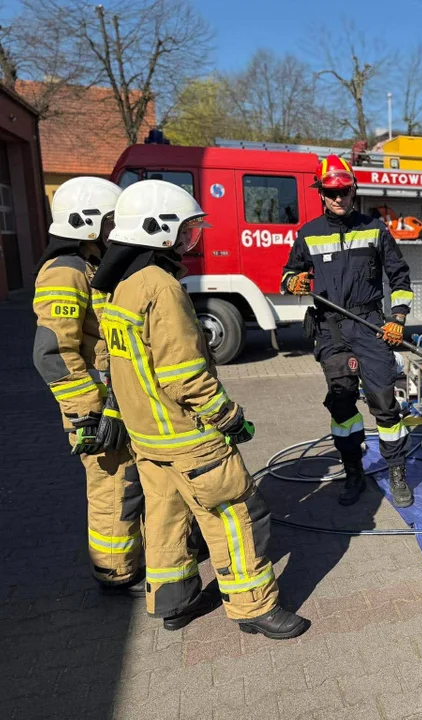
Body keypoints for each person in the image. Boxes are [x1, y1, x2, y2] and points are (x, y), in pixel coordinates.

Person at [91, 179, 308, 639]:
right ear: (157, 232)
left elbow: (111, 363)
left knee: (166, 518)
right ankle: (253, 607)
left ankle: (174, 599)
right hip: (189, 437)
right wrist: (227, 416)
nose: (193, 241)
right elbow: (184, 374)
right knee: (235, 513)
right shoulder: (160, 288)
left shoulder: (118, 287)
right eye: (187, 232)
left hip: (147, 438)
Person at [280, 155, 415, 508]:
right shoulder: (308, 234)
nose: (338, 197)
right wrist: (292, 281)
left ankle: (397, 469)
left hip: (371, 325)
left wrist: (397, 318)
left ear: (353, 190)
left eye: (344, 191)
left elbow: (400, 277)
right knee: (342, 404)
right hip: (331, 329)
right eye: (330, 191)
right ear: (321, 193)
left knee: (384, 401)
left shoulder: (374, 228)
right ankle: (353, 471)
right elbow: (287, 275)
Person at [32, 176, 145, 595]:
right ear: (86, 222)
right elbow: (52, 352)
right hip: (93, 409)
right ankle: (115, 572)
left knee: (128, 483)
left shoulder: (89, 265)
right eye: (110, 221)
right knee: (111, 487)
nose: (115, 229)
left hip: (111, 402)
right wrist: (88, 412)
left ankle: (133, 554)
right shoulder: (65, 273)